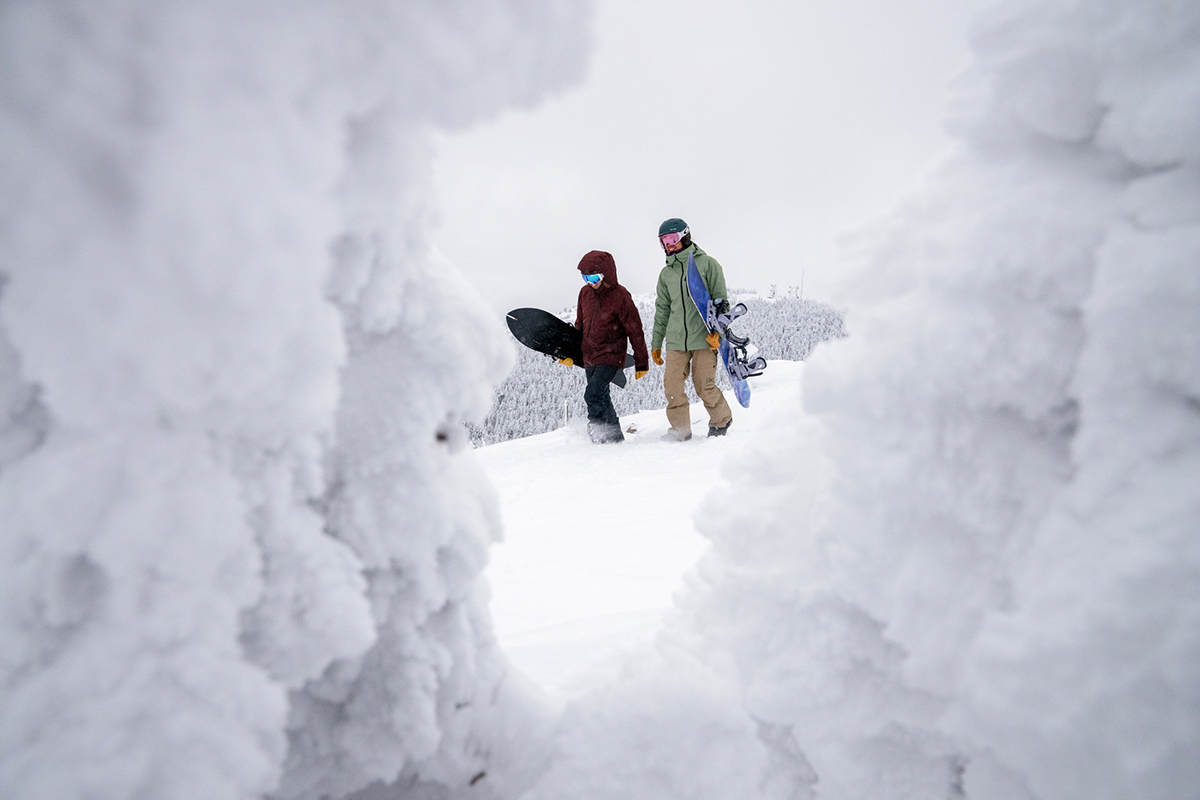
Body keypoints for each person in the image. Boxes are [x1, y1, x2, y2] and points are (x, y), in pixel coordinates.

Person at [650, 218, 733, 441]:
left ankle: (721, 420)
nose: (668, 245)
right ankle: (680, 430)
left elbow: (721, 302)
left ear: (685, 236)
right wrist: (656, 343)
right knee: (672, 386)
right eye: (663, 241)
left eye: (672, 239)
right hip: (676, 340)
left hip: (705, 338)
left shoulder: (707, 264)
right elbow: (662, 310)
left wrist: (720, 333)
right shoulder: (666, 274)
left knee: (704, 386)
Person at [566, 250, 649, 443]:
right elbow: (580, 324)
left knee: (593, 394)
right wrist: (570, 351)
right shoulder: (585, 293)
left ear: (606, 274)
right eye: (585, 277)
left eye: (594, 277)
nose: (590, 282)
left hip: (612, 355)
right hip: (589, 355)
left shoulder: (620, 296)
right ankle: (615, 439)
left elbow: (635, 329)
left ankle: (597, 431)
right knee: (603, 397)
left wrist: (641, 361)